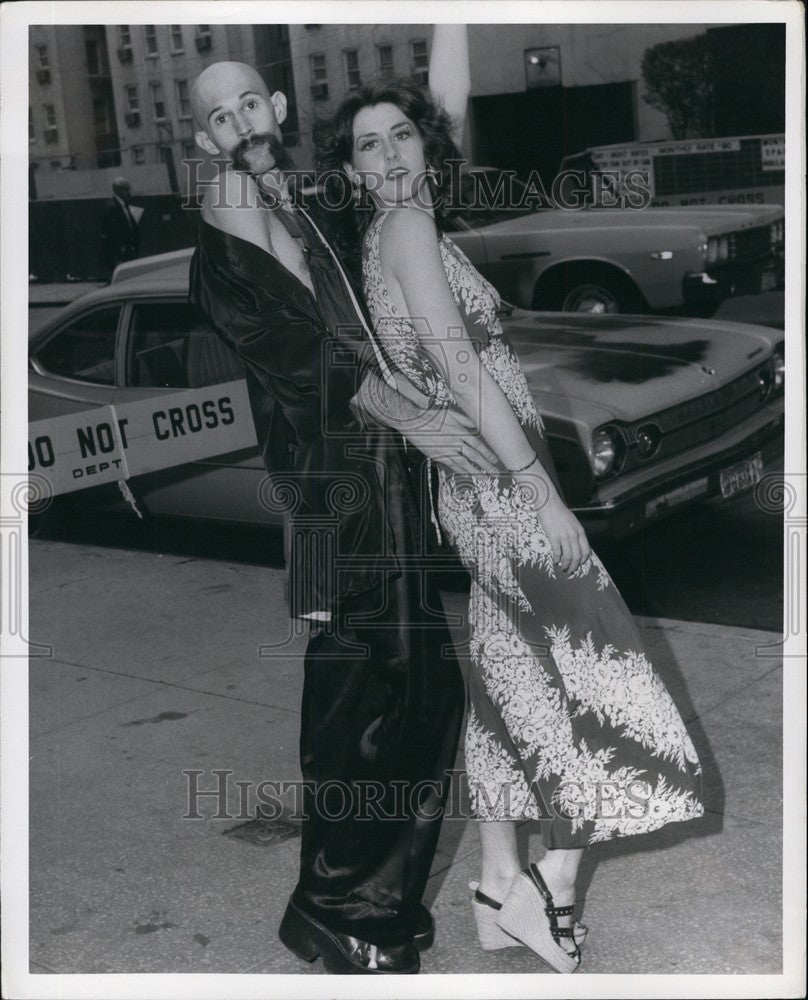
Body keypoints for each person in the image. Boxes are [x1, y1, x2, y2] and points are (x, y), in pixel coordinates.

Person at [316, 60, 705, 974]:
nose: (390, 154)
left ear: (427, 143)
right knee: (609, 674)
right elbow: (457, 369)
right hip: (502, 484)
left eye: (401, 134)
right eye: (368, 145)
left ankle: (495, 886)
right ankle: (552, 882)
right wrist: (541, 490)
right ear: (354, 172)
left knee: (512, 678)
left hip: (475, 486)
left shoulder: (387, 236)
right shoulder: (406, 226)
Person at [186, 33, 483, 975]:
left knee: (410, 687)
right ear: (204, 143)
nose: (238, 127)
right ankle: (341, 909)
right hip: (335, 493)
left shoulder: (315, 199)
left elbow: (434, 130)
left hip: (373, 475)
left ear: (276, 109)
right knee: (369, 695)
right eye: (216, 117)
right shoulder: (228, 213)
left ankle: (369, 903)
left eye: (247, 105)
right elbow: (308, 359)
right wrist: (421, 422)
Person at [100, 176, 140, 278]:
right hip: (120, 253)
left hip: (128, 249)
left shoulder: (123, 204)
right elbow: (112, 233)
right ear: (118, 190)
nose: (129, 192)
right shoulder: (112, 208)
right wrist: (119, 251)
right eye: (126, 189)